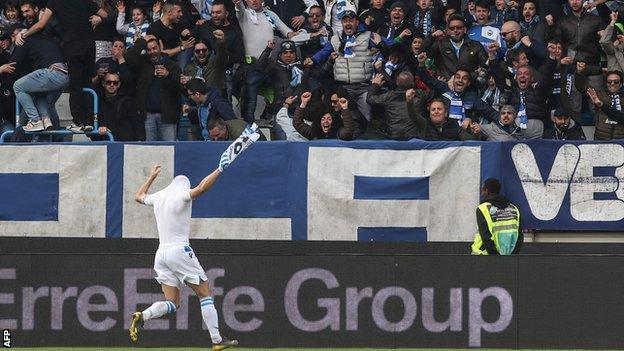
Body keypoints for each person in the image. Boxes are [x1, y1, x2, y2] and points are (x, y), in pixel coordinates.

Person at [130, 123, 261, 350]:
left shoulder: (159, 197)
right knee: (204, 293)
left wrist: (151, 177)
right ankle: (217, 341)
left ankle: (143, 315)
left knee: (173, 302)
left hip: (161, 254)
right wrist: (220, 169)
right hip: (180, 250)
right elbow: (200, 188)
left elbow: (138, 196)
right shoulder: (182, 194)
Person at [471, 178, 523, 255]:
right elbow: (520, 236)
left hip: (484, 256)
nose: (482, 193)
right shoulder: (514, 209)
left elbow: (485, 236)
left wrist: (495, 257)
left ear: (487, 191)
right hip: (509, 256)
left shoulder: (482, 208)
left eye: (483, 190)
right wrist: (513, 256)